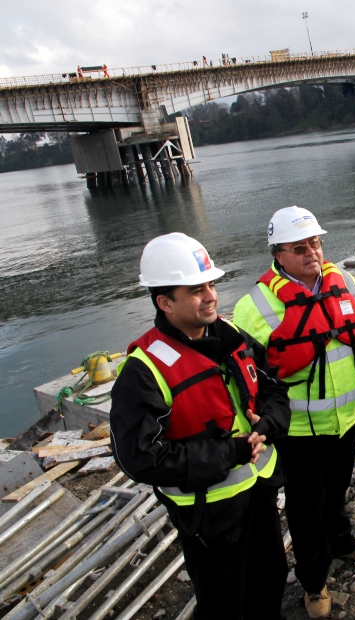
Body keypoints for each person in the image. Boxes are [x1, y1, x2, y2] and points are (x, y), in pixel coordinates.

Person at [110, 233, 290, 620]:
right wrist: (229, 452)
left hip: (260, 494)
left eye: (210, 285)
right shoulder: (143, 371)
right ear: (164, 302)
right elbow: (139, 458)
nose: (210, 296)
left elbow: (274, 388)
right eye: (196, 290)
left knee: (270, 578)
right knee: (223, 602)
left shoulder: (232, 337)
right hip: (209, 514)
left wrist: (271, 422)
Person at [233, 206, 355, 620]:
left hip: (347, 417)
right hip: (298, 429)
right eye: (299, 248)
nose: (311, 252)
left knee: (337, 491)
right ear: (277, 254)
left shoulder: (345, 282)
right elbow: (253, 377)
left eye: (315, 243)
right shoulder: (253, 306)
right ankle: (314, 582)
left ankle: (342, 543)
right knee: (305, 507)